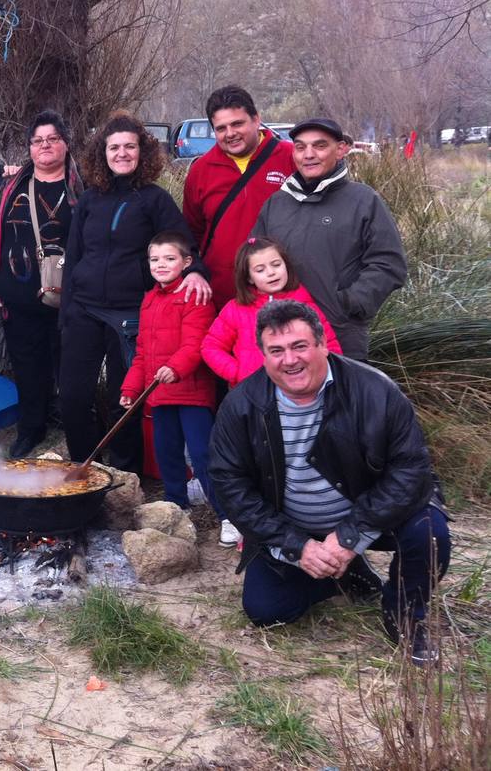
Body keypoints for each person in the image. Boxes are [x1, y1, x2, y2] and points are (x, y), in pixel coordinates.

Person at [209, 300, 450, 665]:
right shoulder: (240, 405)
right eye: (276, 350)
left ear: (322, 344)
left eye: (299, 346)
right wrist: (298, 546)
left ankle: (403, 614)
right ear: (263, 355)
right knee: (266, 610)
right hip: (295, 527)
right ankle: (342, 574)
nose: (290, 360)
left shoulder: (376, 390)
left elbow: (410, 470)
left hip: (368, 516)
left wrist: (350, 536)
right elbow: (230, 485)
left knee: (429, 533)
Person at [59, 111, 210, 470]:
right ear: (103, 153)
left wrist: (196, 272)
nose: (122, 153)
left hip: (130, 314)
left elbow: (183, 245)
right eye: (114, 147)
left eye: (130, 146)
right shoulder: (90, 200)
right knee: (73, 397)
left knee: (123, 399)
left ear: (142, 152)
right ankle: (84, 469)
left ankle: (126, 475)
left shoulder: (155, 200)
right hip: (84, 309)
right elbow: (74, 255)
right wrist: (67, 311)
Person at [0, 109, 83, 459]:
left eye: (53, 139)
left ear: (66, 144)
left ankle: (76, 426)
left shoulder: (83, 189)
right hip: (20, 299)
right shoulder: (8, 190)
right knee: (28, 366)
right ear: (30, 148)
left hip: (73, 300)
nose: (45, 146)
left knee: (71, 365)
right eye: (38, 141)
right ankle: (31, 428)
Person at [252, 118, 407, 359]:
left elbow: (389, 264)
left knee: (345, 386)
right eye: (300, 147)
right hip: (283, 339)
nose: (308, 155)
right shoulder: (276, 204)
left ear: (341, 149)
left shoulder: (364, 200)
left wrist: (349, 303)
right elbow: (253, 259)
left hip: (342, 334)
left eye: (320, 146)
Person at [119, 231, 229, 541]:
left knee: (202, 453)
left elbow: (197, 343)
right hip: (159, 393)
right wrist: (131, 388)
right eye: (154, 259)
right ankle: (176, 505)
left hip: (191, 391)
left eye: (169, 258)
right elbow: (142, 351)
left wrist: (176, 367)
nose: (161, 264)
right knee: (166, 452)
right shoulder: (149, 300)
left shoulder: (196, 295)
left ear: (187, 261)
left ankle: (227, 514)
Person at [183, 85, 294, 310]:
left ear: (256, 119)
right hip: (222, 300)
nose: (230, 133)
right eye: (221, 128)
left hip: (283, 298)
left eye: (237, 124)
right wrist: (194, 271)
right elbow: (191, 234)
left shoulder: (290, 157)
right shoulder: (200, 170)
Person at [202, 236, 343, 388]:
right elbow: (210, 346)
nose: (271, 273)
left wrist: (320, 378)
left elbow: (329, 346)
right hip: (252, 390)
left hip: (301, 390)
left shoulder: (305, 304)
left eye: (276, 265)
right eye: (260, 270)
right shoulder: (236, 309)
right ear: (249, 278)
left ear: (286, 266)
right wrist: (238, 374)